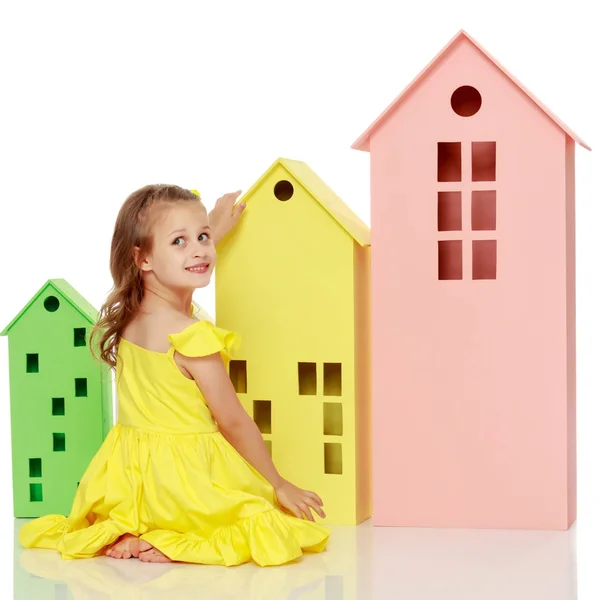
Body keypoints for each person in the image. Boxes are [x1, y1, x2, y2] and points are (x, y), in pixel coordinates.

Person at [19, 184, 329, 566]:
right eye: (179, 241)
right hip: (184, 481)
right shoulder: (192, 338)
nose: (200, 250)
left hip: (131, 479)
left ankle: (140, 527)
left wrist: (209, 227)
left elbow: (176, 259)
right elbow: (232, 421)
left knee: (155, 510)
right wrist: (279, 483)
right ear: (143, 258)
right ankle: (176, 538)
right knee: (261, 523)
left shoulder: (132, 318)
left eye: (202, 238)